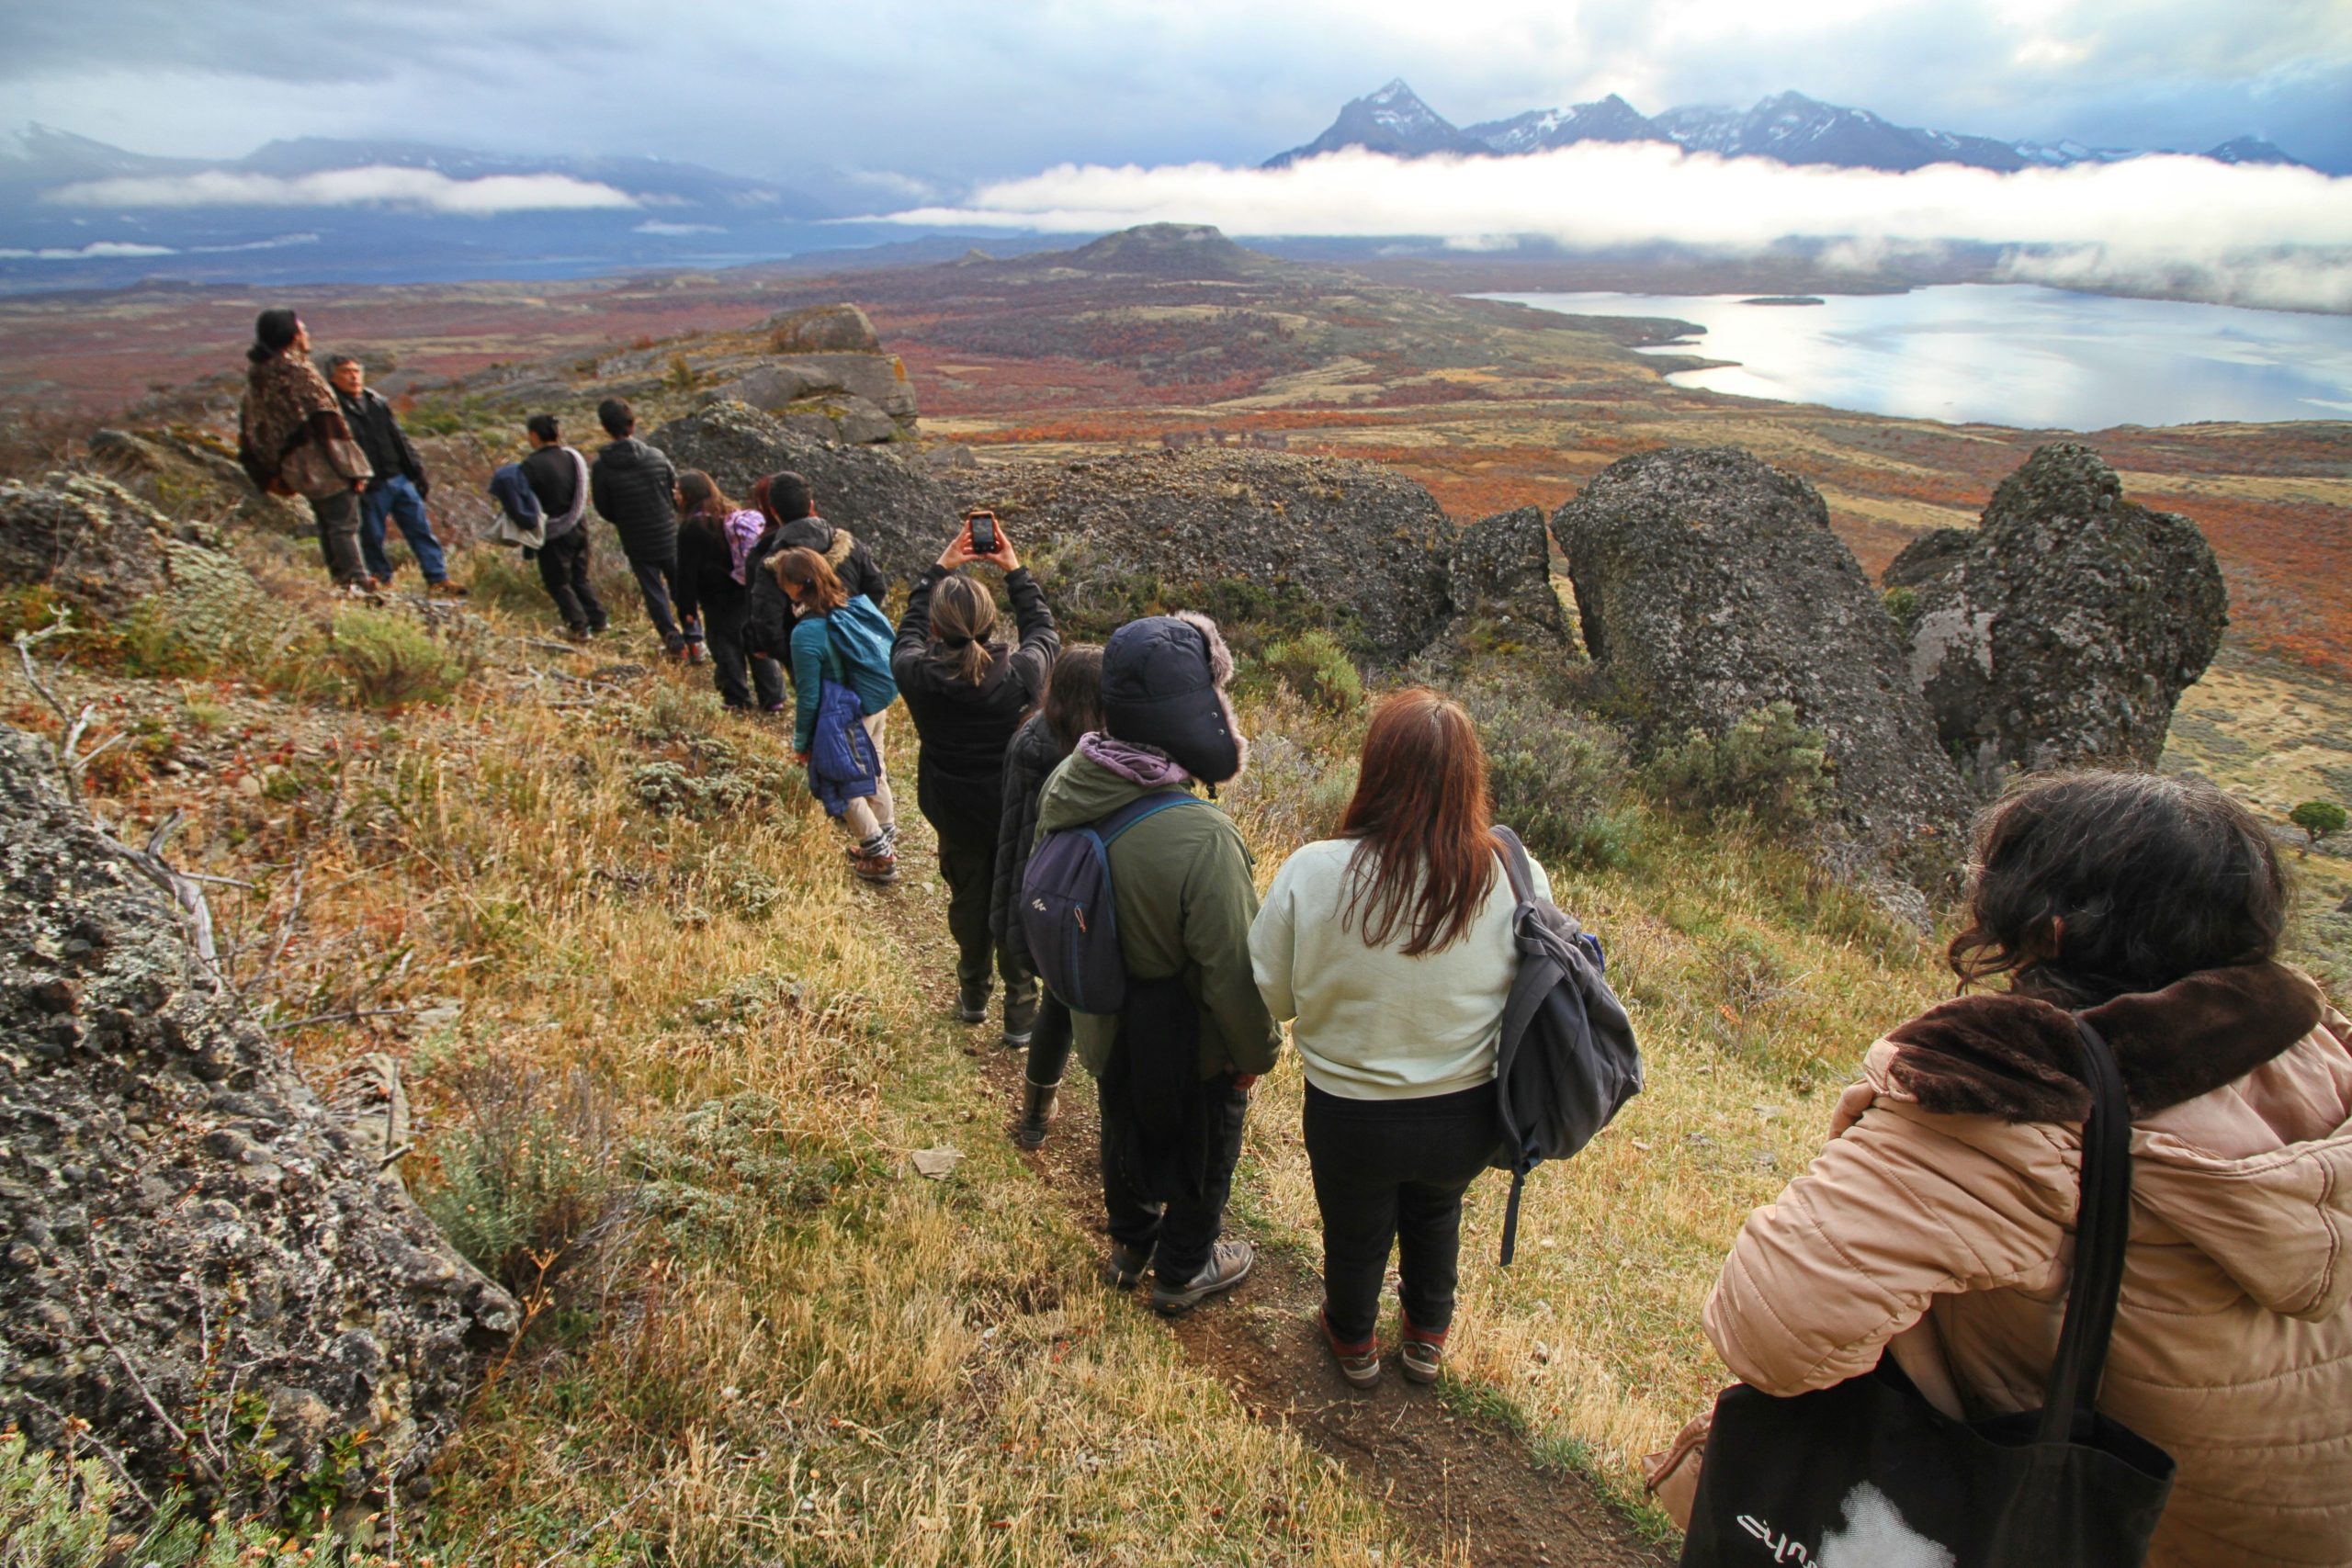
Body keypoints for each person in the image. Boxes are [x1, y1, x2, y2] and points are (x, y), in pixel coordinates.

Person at [1700, 771, 2352, 1567]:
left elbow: (1769, 1332)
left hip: (2087, 1525)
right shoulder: (2321, 1057)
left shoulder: (2014, 1100)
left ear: (2047, 930)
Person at [1250, 688, 1530, 1388]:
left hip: (1350, 1112)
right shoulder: (1512, 875)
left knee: (1354, 1229)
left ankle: (1352, 1342)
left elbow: (1272, 995)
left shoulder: (1313, 870)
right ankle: (1427, 1336)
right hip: (1466, 1113)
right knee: (1438, 1211)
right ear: (1471, 778)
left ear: (1374, 768)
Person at [1034, 612, 1276, 1315]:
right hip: (1188, 1045)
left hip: (1103, 1019)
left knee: (1120, 1124)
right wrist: (1255, 1052)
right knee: (1208, 1147)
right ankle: (1184, 1265)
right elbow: (1232, 971)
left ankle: (1130, 1243)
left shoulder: (1069, 784)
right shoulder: (1202, 837)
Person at [891, 517, 1058, 1034]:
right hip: (1013, 810)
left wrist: (940, 567)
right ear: (991, 623)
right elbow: (1043, 632)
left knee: (967, 897)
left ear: (937, 629)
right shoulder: (1023, 675)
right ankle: (1020, 1009)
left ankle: (971, 992)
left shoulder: (916, 674)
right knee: (1014, 899)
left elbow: (906, 631)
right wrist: (1013, 569)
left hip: (953, 809)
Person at [990, 644, 1104, 1141]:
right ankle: (1111, 1128)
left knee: (1054, 1009)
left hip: (1035, 888)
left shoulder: (1029, 738)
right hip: (1085, 902)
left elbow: (1013, 822)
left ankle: (1036, 1116)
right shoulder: (1101, 757)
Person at [772, 547, 899, 882]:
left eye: (783, 581)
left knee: (844, 785)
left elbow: (809, 697)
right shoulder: (852, 605)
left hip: (844, 716)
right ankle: (884, 837)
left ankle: (881, 857)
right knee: (876, 772)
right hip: (874, 704)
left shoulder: (806, 633)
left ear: (798, 586)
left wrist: (802, 741)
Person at [234, 308, 375, 594]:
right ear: (293, 336)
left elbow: (252, 429)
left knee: (328, 525)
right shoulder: (298, 372)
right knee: (343, 525)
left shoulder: (259, 375)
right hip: (323, 463)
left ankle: (343, 583)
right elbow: (328, 421)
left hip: (293, 468)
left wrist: (267, 474)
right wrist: (354, 469)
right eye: (303, 329)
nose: (307, 334)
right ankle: (356, 583)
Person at [326, 355, 462, 597]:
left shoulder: (376, 401)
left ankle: (438, 578)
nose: (353, 376)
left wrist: (416, 472)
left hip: (399, 478)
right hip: (369, 484)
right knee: (372, 536)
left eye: (357, 370)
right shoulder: (333, 408)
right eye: (346, 371)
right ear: (332, 377)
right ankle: (381, 582)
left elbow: (399, 438)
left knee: (420, 530)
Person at [587, 398, 700, 660]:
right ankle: (694, 637)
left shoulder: (602, 467)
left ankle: (673, 642)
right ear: (633, 423)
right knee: (681, 587)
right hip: (668, 534)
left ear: (605, 427)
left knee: (653, 591)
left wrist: (626, 520)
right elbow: (676, 493)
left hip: (635, 537)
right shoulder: (656, 456)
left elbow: (603, 507)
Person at [672, 470, 784, 712]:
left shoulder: (692, 527)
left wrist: (687, 610)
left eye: (678, 491)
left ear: (690, 495)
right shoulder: (729, 514)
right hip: (746, 590)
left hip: (717, 599)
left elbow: (686, 574)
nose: (674, 495)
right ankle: (773, 697)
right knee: (756, 643)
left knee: (725, 646)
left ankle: (737, 699)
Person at [518, 414, 605, 639]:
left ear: (534, 435)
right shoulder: (572, 458)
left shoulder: (531, 465)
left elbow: (524, 500)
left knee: (557, 582)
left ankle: (578, 627)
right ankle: (598, 619)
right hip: (578, 525)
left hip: (553, 531)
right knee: (580, 577)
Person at [758, 469, 888, 606]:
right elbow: (877, 588)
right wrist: (855, 621)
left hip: (803, 627)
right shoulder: (849, 545)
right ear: (811, 505)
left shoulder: (771, 562)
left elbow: (766, 619)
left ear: (772, 511)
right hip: (851, 624)